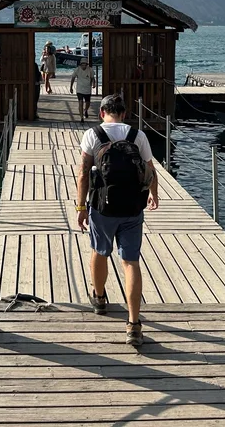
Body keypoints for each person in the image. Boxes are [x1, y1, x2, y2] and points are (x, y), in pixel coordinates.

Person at [76, 94, 158, 346]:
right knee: (131, 262)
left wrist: (81, 207)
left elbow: (83, 174)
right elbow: (150, 169)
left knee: (100, 251)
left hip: (102, 207)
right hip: (133, 207)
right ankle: (134, 324)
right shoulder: (137, 136)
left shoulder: (93, 135)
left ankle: (99, 299)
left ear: (102, 113)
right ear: (124, 113)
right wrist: (154, 195)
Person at [69, 58, 97, 123]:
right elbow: (73, 78)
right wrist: (71, 87)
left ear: (87, 65)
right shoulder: (77, 69)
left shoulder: (90, 70)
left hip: (87, 89)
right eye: (82, 65)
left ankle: (86, 110)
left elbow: (93, 78)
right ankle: (81, 117)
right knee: (80, 102)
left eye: (85, 64)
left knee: (88, 103)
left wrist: (94, 84)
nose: (84, 66)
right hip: (79, 89)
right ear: (80, 64)